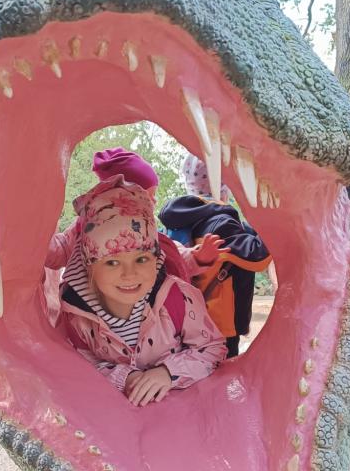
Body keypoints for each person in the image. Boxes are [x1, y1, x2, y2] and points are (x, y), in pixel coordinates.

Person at [60, 177, 226, 404]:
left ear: (155, 257)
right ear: (90, 265)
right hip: (122, 418)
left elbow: (213, 348)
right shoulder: (78, 314)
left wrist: (169, 372)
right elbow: (81, 362)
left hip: (179, 410)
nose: (129, 274)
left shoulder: (177, 298)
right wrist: (124, 377)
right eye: (112, 262)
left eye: (141, 259)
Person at [46, 147, 222, 281]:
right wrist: (40, 238)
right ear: (125, 197)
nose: (154, 201)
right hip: (88, 309)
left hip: (137, 311)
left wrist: (197, 257)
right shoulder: (85, 226)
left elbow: (173, 257)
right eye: (150, 195)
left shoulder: (146, 230)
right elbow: (61, 250)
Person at [158, 154, 272, 358]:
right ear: (223, 189)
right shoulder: (221, 223)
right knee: (222, 371)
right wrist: (269, 220)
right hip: (219, 324)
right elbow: (257, 257)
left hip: (188, 319)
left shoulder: (181, 222)